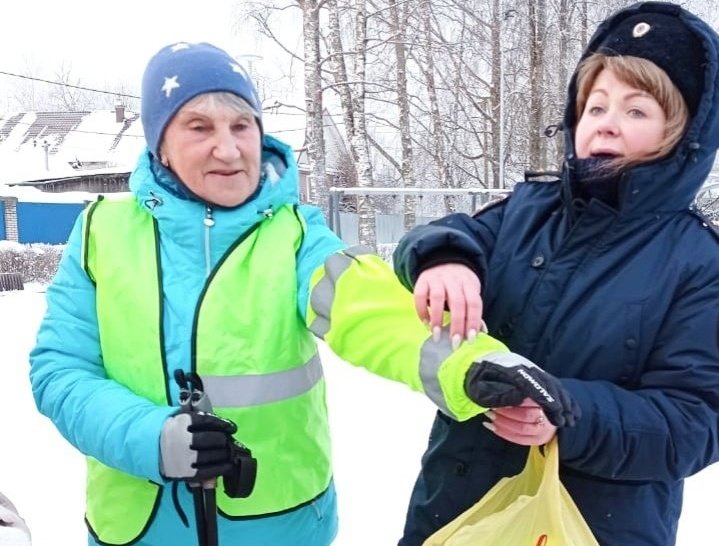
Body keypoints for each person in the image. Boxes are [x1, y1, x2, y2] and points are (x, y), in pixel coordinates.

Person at [28, 42, 578, 546]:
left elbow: (371, 309)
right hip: (138, 528)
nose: (228, 148)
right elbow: (60, 371)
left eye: (243, 125)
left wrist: (474, 365)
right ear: (160, 145)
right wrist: (151, 440)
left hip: (278, 524)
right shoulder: (102, 232)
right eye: (199, 127)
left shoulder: (294, 236)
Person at [393, 2, 719, 545]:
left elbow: (695, 421)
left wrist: (572, 415)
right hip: (456, 507)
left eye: (636, 111)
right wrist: (443, 257)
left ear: (679, 134)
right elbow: (449, 235)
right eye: (596, 106)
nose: (607, 123)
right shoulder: (528, 209)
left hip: (592, 526)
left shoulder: (698, 262)